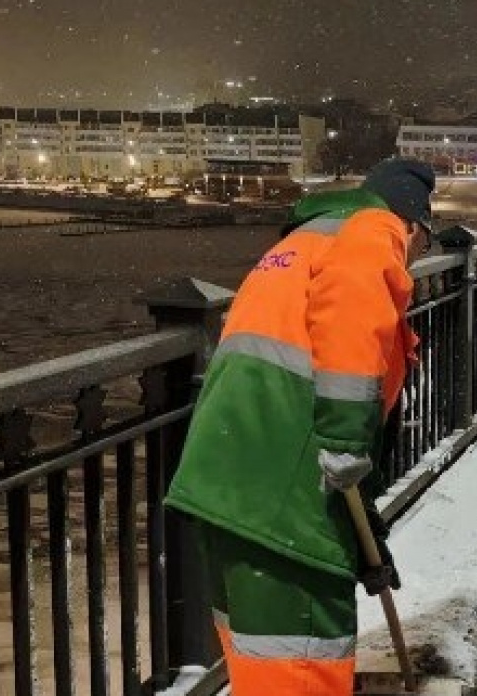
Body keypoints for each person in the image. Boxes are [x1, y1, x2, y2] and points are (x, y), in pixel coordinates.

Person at [165, 158, 435, 696]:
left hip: (227, 487)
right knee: (303, 668)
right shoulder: (373, 228)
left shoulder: (302, 244)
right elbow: (351, 329)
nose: (414, 258)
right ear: (410, 222)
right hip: (284, 507)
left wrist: (360, 527)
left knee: (262, 666)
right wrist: (344, 444)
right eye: (422, 243)